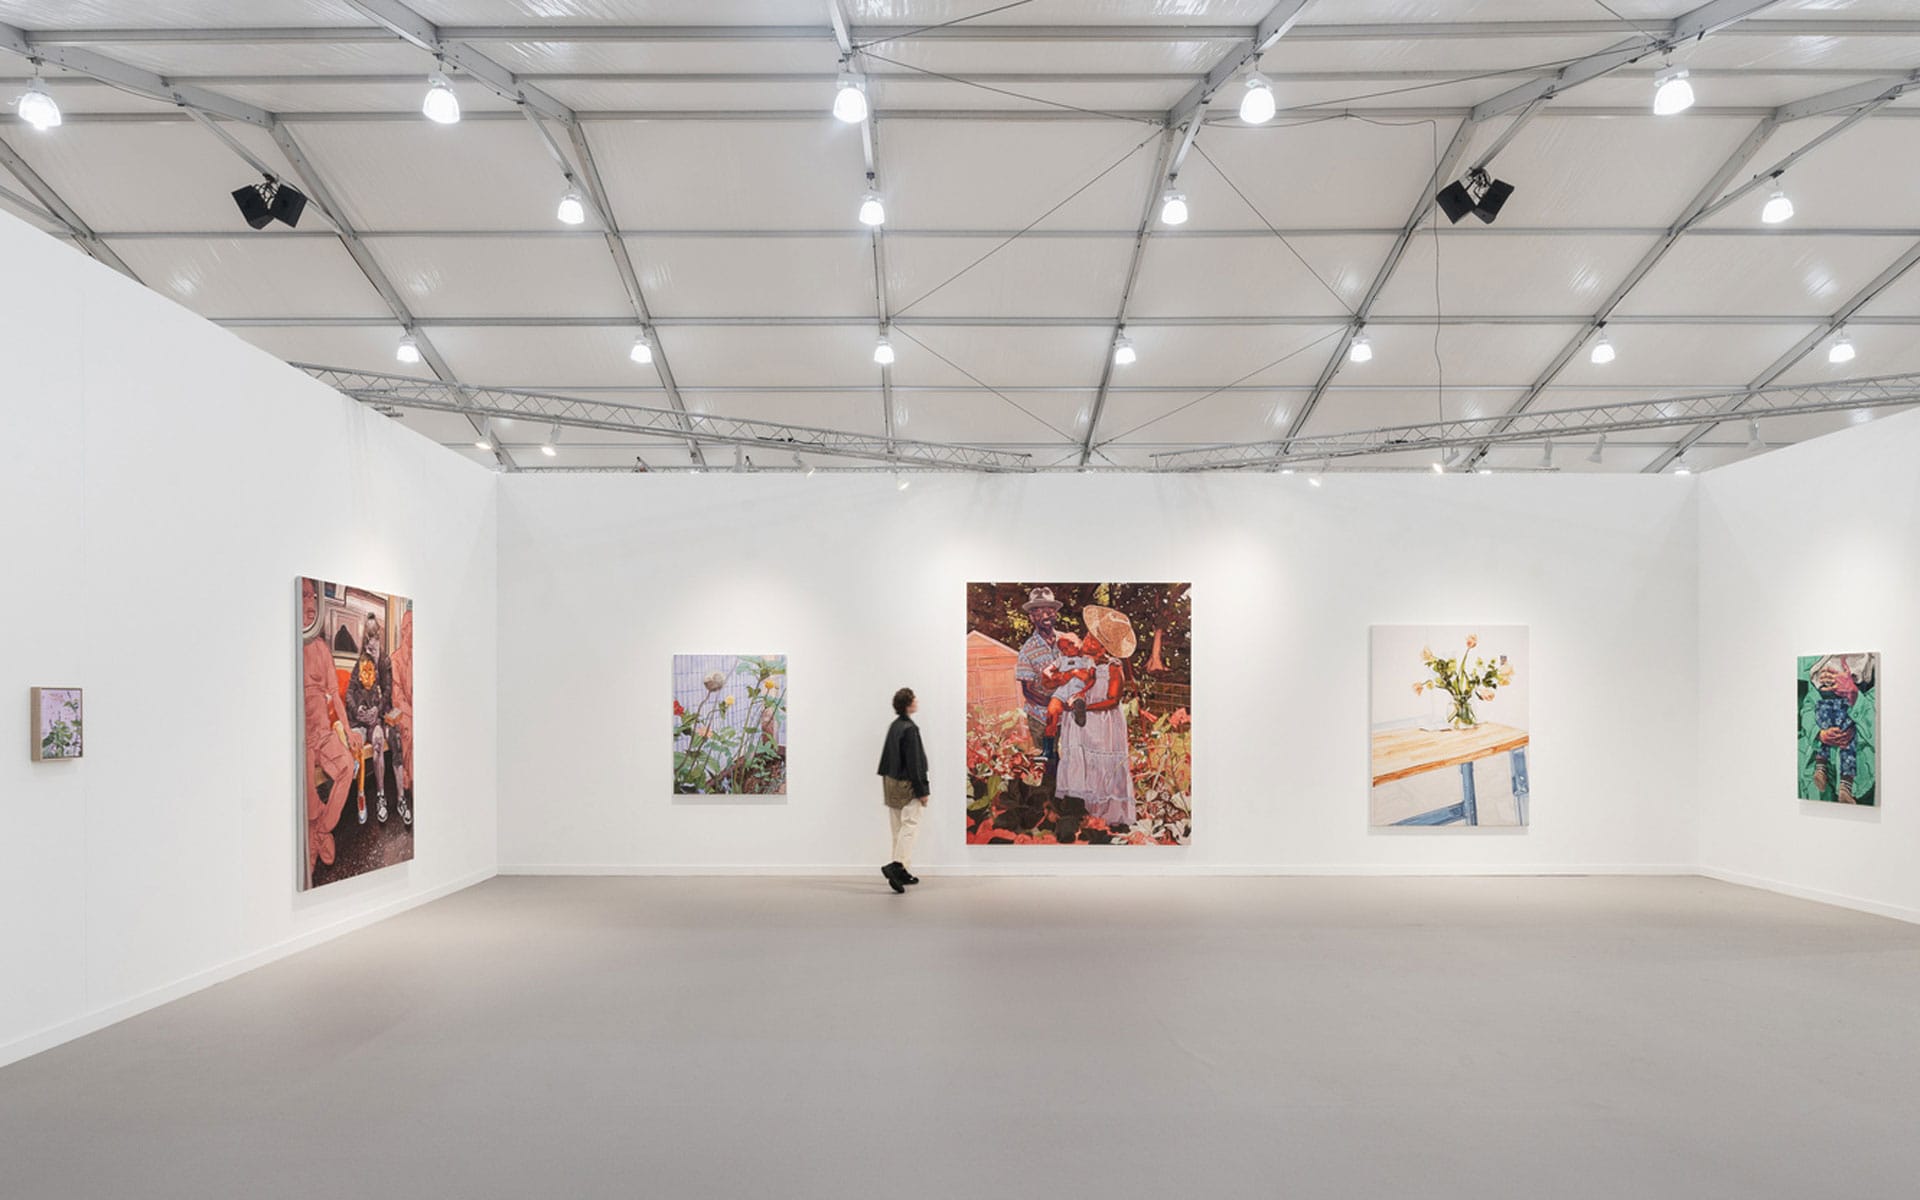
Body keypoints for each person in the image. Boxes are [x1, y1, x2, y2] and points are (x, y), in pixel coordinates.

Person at [1053, 605, 1138, 840]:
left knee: (1103, 763)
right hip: (1079, 722)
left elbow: (1112, 700)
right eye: (1088, 636)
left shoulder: (1113, 667)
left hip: (1102, 723)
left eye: (1094, 641)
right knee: (1079, 760)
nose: (1087, 642)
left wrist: (1086, 708)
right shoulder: (1078, 661)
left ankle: (1110, 815)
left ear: (1104, 648)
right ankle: (1083, 811)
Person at [302, 579, 361, 883]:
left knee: (347, 767)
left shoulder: (322, 649)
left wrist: (348, 732)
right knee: (305, 785)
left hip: (323, 733)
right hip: (298, 738)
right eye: (303, 596)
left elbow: (335, 696)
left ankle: (321, 830)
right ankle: (314, 833)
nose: (310, 604)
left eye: (313, 597)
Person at [877, 687, 929, 893]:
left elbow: (887, 759)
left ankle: (902, 871)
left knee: (898, 829)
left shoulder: (895, 726)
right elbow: (915, 763)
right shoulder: (910, 729)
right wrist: (922, 790)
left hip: (890, 782)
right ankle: (897, 866)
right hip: (907, 785)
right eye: (914, 699)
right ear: (908, 704)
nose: (917, 701)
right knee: (910, 826)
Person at [345, 650, 392, 824]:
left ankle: (380, 795)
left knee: (379, 740)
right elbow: (348, 698)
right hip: (358, 724)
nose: (368, 675)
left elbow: (384, 702)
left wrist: (376, 711)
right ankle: (361, 794)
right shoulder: (354, 688)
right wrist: (357, 710)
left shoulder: (378, 688)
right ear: (359, 674)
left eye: (371, 671)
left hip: (374, 724)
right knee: (357, 741)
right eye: (364, 672)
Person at [1039, 631, 1099, 746]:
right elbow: (1046, 671)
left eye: (1071, 644)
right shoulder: (1061, 660)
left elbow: (1091, 678)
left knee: (1078, 700)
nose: (1068, 650)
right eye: (1064, 649)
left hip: (1078, 690)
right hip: (1062, 690)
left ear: (1079, 642)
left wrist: (1078, 676)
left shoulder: (1087, 660)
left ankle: (1079, 711)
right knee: (1051, 713)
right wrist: (1054, 676)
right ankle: (1048, 748)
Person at [388, 605, 414, 826]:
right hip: (402, 711)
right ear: (404, 630)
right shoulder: (395, 659)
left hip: (416, 710)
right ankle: (411, 784)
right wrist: (414, 713)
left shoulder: (419, 657)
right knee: (409, 730)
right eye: (411, 626)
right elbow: (397, 697)